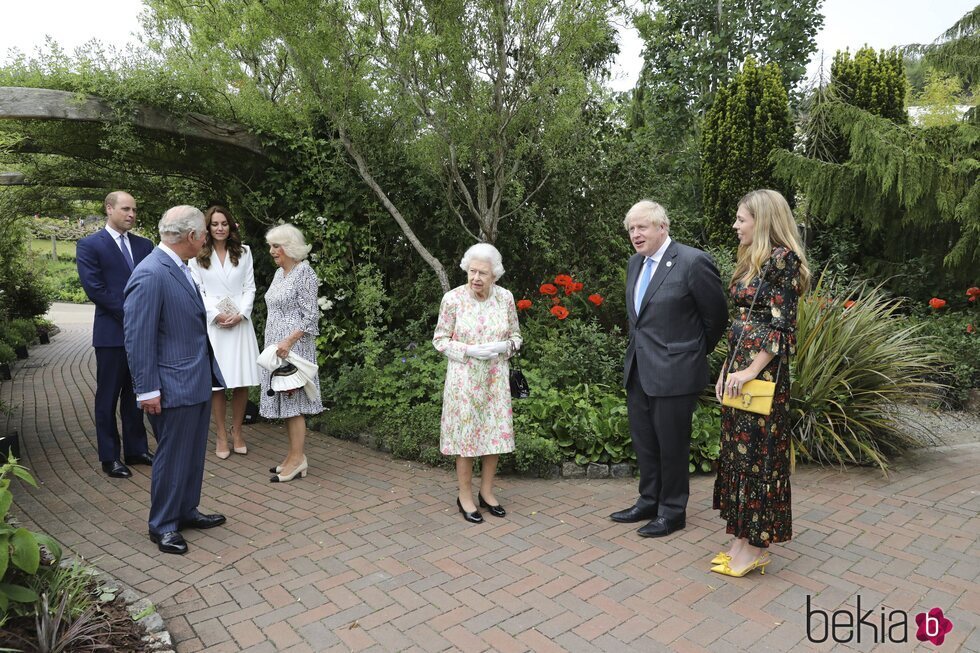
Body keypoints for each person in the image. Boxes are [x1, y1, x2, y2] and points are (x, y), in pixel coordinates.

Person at [611, 200, 728, 537]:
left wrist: (690, 353)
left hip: (676, 372)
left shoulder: (692, 262)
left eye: (642, 227)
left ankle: (673, 511)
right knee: (645, 442)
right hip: (639, 370)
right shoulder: (636, 263)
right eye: (631, 229)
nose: (635, 234)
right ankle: (649, 501)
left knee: (673, 445)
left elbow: (716, 317)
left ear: (662, 227)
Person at [711, 189, 810, 577]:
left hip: (762, 374)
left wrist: (750, 371)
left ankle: (755, 546)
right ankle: (739, 538)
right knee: (738, 455)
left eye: (741, 219)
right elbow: (742, 325)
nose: (735, 226)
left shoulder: (783, 262)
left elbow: (782, 329)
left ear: (763, 220)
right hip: (740, 367)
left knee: (758, 456)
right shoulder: (753, 260)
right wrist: (725, 369)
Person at [123, 206, 227, 555]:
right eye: (203, 235)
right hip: (170, 386)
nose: (205, 240)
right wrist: (147, 389)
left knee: (193, 453)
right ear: (193, 237)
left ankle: (186, 510)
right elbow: (138, 337)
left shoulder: (179, 266)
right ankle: (163, 525)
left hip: (194, 380)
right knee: (171, 455)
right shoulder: (151, 272)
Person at [433, 243, 522, 524]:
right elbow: (440, 340)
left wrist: (502, 347)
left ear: (495, 275)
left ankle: (487, 492)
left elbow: (517, 338)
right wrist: (469, 350)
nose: (476, 278)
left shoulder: (505, 298)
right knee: (466, 439)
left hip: (495, 380)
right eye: (472, 271)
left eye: (483, 273)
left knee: (493, 436)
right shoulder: (453, 299)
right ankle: (464, 495)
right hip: (464, 382)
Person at [76, 191, 154, 479]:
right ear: (109, 209)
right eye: (125, 209)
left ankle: (136, 450)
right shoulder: (89, 245)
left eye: (134, 209)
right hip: (111, 334)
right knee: (107, 397)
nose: (131, 214)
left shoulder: (145, 245)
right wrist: (133, 315)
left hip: (142, 336)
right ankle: (110, 457)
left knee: (136, 394)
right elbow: (95, 288)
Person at [189, 205, 261, 459]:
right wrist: (215, 314)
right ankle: (220, 434)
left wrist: (241, 313)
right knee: (217, 385)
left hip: (240, 322)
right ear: (207, 228)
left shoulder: (244, 252)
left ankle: (238, 432)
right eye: (215, 224)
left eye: (224, 224)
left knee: (241, 381)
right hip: (214, 325)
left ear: (231, 227)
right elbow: (197, 291)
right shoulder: (197, 255)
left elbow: (250, 287)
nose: (220, 228)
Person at [260, 224, 323, 483]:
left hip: (293, 348)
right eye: (271, 246)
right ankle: (292, 456)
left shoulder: (305, 273)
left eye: (277, 246)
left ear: (290, 246)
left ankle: (298, 460)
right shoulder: (280, 274)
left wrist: (288, 341)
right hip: (278, 347)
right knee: (286, 404)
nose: (272, 251)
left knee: (293, 403)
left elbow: (311, 317)